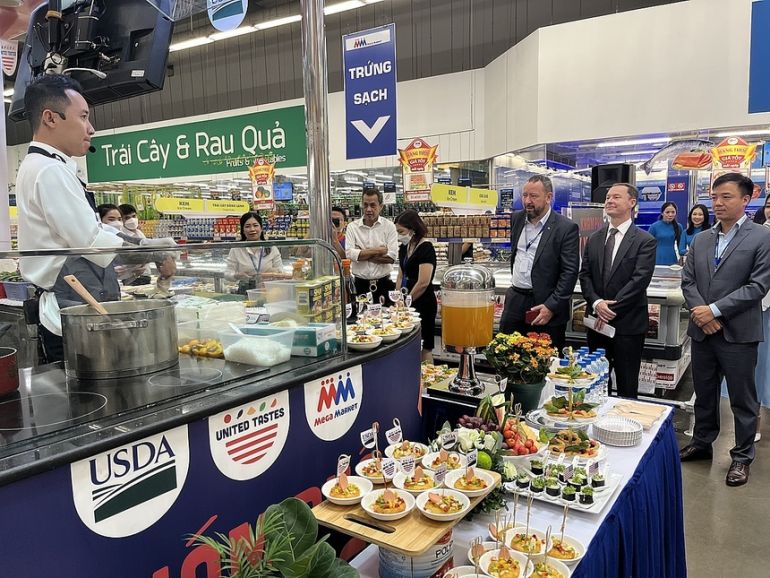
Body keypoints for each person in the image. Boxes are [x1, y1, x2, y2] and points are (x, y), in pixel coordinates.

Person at [16, 74, 124, 363]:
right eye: (83, 117)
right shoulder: (49, 170)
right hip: (69, 317)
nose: (91, 128)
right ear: (50, 118)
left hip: (74, 312)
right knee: (89, 402)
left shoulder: (45, 166)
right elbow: (91, 242)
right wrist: (149, 250)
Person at [679, 173, 770, 487]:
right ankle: (702, 443)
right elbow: (688, 281)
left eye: (726, 196)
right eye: (714, 196)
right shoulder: (702, 238)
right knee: (704, 392)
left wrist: (714, 310)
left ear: (746, 199)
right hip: (702, 332)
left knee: (743, 399)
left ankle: (742, 456)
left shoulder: (762, 237)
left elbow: (757, 286)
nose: (717, 202)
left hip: (739, 333)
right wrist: (702, 314)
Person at [578, 183, 656, 399]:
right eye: (608, 197)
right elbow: (584, 275)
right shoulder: (594, 239)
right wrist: (596, 304)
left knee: (627, 385)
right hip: (597, 325)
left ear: (632, 203)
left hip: (627, 325)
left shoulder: (644, 241)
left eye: (616, 197)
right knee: (595, 384)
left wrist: (611, 309)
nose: (610, 201)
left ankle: (624, 429)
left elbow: (639, 280)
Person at [499, 175, 579, 352]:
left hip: (545, 304)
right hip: (515, 301)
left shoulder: (565, 228)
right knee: (507, 356)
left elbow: (570, 272)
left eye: (533, 196)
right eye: (525, 195)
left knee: (544, 362)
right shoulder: (517, 219)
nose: (527, 201)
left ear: (548, 197)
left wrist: (551, 306)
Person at [395, 210, 438, 362]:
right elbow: (400, 274)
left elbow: (423, 282)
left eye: (401, 231)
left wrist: (407, 300)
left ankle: (428, 380)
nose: (399, 235)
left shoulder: (426, 248)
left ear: (413, 229)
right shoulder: (403, 248)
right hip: (406, 301)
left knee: (425, 345)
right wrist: (397, 297)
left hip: (423, 302)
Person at [345, 188, 398, 305]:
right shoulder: (352, 227)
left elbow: (391, 258)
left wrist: (361, 253)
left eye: (373, 205)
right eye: (365, 205)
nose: (368, 209)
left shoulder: (389, 226)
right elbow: (349, 254)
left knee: (387, 320)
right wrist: (379, 250)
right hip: (360, 285)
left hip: (384, 284)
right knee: (361, 320)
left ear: (381, 206)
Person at [225, 212, 285, 292]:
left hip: (268, 290)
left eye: (255, 225)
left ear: (261, 228)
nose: (252, 229)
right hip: (245, 290)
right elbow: (228, 273)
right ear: (242, 230)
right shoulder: (236, 249)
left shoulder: (271, 248)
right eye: (247, 226)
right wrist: (237, 276)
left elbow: (281, 271)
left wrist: (275, 272)